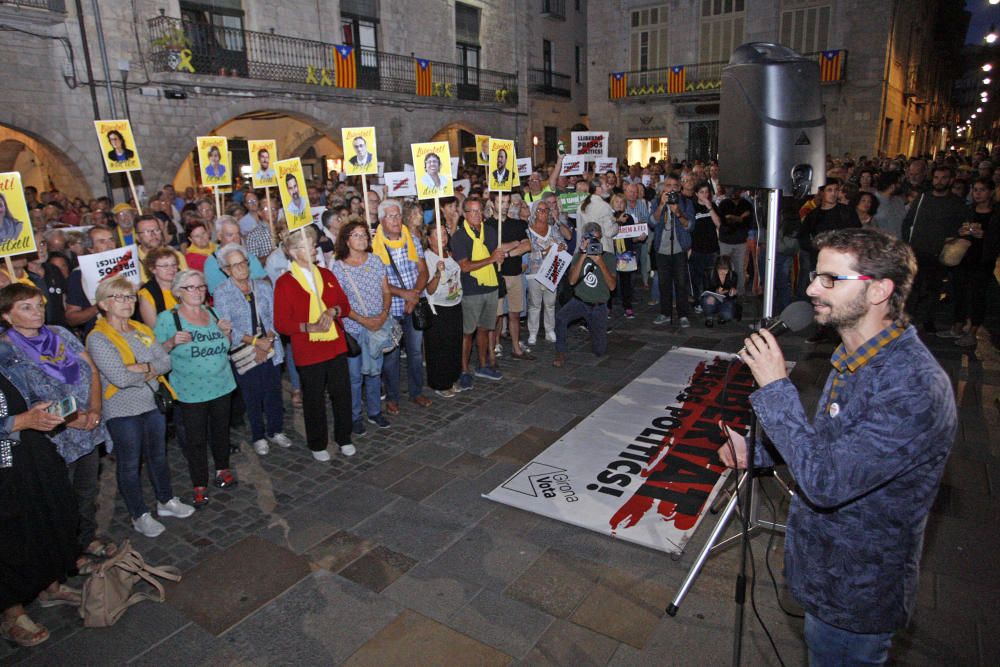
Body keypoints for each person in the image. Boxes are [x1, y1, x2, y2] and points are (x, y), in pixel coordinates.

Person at [719, 228, 957, 666]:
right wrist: (759, 452)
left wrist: (775, 387)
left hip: (856, 594)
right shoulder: (858, 355)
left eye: (831, 279)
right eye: (816, 275)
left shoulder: (913, 387)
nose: (811, 288)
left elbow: (827, 483)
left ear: (879, 291)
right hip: (824, 575)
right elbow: (832, 446)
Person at [0, 283, 114, 572]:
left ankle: (86, 538)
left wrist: (96, 409)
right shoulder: (8, 352)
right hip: (55, 437)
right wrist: (72, 418)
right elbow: (24, 399)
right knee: (60, 498)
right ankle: (68, 553)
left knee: (87, 490)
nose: (37, 311)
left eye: (38, 304)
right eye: (25, 307)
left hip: (89, 426)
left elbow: (90, 368)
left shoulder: (60, 334)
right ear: (7, 316)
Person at [88, 277, 194, 536]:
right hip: (122, 411)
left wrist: (143, 367)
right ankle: (139, 514)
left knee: (158, 455)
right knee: (129, 463)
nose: (127, 303)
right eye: (119, 298)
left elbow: (166, 362)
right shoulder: (98, 338)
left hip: (152, 402)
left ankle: (166, 500)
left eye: (130, 297)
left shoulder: (140, 329)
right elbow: (120, 378)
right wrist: (150, 368)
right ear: (103, 304)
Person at [0, 366, 80, 647]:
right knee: (10, 533)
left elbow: (21, 396)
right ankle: (12, 612)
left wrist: (40, 411)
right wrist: (19, 422)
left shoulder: (5, 354)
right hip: (4, 463)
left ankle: (49, 584)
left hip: (29, 454)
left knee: (46, 516)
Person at [155, 270, 236, 507]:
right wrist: (171, 342)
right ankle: (199, 483)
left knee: (221, 432)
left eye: (201, 287)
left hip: (222, 384)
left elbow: (225, 347)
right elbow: (156, 353)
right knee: (196, 439)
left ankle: (222, 469)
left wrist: (227, 333)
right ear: (179, 292)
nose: (197, 292)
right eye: (191, 287)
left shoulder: (213, 313)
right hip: (191, 391)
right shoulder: (168, 319)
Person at [273, 227, 355, 461]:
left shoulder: (326, 274)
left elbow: (345, 305)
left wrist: (333, 310)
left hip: (335, 345)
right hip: (308, 350)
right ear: (292, 251)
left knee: (342, 394)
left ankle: (344, 437)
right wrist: (308, 327)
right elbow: (282, 323)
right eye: (308, 245)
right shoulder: (285, 283)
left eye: (312, 244)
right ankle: (318, 442)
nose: (313, 248)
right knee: (314, 399)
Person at [213, 244, 291, 455]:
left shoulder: (263, 287)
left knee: (273, 392)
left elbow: (276, 317)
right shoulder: (222, 293)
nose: (241, 268)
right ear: (226, 270)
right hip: (245, 351)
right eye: (235, 265)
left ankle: (276, 430)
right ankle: (258, 435)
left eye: (244, 263)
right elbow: (228, 328)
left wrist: (269, 340)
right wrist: (257, 343)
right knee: (252, 396)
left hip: (271, 347)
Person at [329, 222, 392, 435]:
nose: (362, 239)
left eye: (364, 235)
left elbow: (386, 291)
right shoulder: (338, 267)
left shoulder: (375, 261)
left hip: (377, 325)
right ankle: (354, 416)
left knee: (374, 372)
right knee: (354, 376)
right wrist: (363, 320)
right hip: (353, 329)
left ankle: (375, 411)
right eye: (356, 235)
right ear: (346, 240)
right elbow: (340, 303)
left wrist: (383, 315)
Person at [372, 199, 433, 411]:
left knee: (416, 353)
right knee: (391, 355)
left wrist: (414, 294)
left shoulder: (412, 239)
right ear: (381, 219)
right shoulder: (374, 246)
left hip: (412, 305)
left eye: (398, 215)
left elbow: (423, 271)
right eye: (391, 216)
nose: (396, 219)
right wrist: (405, 294)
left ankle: (417, 392)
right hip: (390, 309)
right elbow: (379, 281)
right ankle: (392, 397)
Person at [450, 198, 515, 387]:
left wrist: (502, 255)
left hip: (491, 286)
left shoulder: (491, 232)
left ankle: (483, 364)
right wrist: (491, 259)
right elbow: (465, 266)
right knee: (468, 332)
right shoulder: (459, 237)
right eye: (472, 211)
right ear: (465, 214)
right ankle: (464, 370)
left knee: (485, 328)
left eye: (479, 211)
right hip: (471, 290)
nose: (477, 215)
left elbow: (497, 254)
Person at [901, 165, 968, 333]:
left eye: (944, 178)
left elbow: (963, 226)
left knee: (933, 288)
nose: (939, 181)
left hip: (940, 252)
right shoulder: (923, 198)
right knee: (913, 287)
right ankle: (908, 319)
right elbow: (909, 221)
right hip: (917, 249)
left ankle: (926, 319)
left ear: (951, 180)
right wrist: (907, 243)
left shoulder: (956, 203)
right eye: (937, 177)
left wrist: (955, 236)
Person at [939, 177, 1000, 347]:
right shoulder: (968, 210)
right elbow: (955, 229)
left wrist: (985, 236)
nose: (978, 194)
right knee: (959, 291)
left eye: (982, 190)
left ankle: (973, 330)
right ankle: (957, 326)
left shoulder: (996, 214)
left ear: (991, 192)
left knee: (978, 295)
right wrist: (961, 231)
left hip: (983, 259)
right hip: (963, 256)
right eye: (975, 190)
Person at [552, 222, 617, 367]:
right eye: (590, 240)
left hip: (599, 305)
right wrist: (583, 255)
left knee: (599, 350)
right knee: (561, 318)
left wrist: (600, 262)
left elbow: (612, 287)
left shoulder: (609, 258)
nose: (594, 243)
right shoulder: (578, 256)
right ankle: (560, 351)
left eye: (596, 240)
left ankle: (595, 332)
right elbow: (572, 281)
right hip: (580, 301)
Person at [422, 223, 464, 397]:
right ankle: (440, 383)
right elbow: (429, 289)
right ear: (429, 239)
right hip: (438, 308)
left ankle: (452, 378)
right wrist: (438, 274)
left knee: (454, 344)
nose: (443, 237)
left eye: (445, 233)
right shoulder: (427, 257)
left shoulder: (449, 253)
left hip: (454, 305)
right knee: (439, 347)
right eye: (438, 235)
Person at [651, 174, 694, 327]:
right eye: (668, 186)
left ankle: (683, 315)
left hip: (679, 248)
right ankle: (665, 312)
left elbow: (690, 225)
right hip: (662, 249)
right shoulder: (656, 201)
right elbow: (652, 222)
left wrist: (678, 212)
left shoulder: (686, 203)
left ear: (679, 188)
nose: (671, 189)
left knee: (681, 283)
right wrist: (662, 206)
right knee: (664, 283)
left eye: (674, 186)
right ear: (663, 188)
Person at [526, 199, 568, 345]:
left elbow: (563, 242)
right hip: (534, 272)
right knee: (535, 304)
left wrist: (561, 246)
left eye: (546, 210)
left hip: (552, 269)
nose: (543, 213)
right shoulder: (528, 230)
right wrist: (547, 250)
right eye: (540, 210)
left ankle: (550, 330)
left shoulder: (553, 229)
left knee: (550, 303)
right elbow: (529, 251)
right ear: (534, 212)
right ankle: (533, 332)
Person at [137, 247, 179, 328]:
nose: (171, 269)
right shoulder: (147, 293)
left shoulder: (184, 284)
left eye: (174, 264)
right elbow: (156, 329)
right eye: (165, 266)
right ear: (153, 269)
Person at [700, 254, 738, 326]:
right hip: (712, 298)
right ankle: (709, 317)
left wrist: (732, 293)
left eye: (726, 270)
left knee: (728, 315)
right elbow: (706, 289)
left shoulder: (733, 275)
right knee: (707, 300)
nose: (723, 273)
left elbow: (732, 294)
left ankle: (721, 316)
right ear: (716, 268)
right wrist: (713, 294)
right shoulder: (708, 273)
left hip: (725, 300)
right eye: (720, 270)